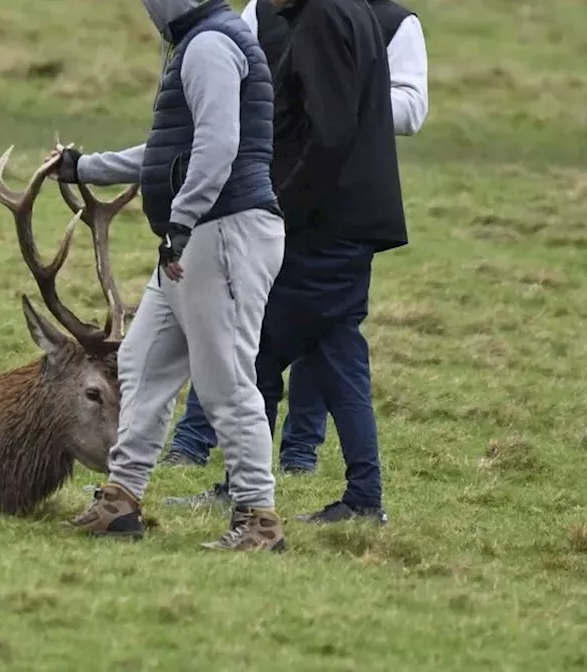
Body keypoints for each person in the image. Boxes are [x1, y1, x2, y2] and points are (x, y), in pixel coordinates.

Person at [165, 0, 411, 525]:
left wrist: (281, 207)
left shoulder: (322, 19)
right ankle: (362, 497)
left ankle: (248, 489)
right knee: (334, 355)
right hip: (348, 222)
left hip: (319, 227)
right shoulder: (351, 11)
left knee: (263, 353)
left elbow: (329, 134)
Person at [56, 0, 289, 551]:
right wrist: (85, 166)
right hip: (200, 238)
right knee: (143, 363)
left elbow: (217, 146)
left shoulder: (208, 46)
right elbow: (167, 152)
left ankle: (260, 519)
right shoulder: (200, 42)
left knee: (226, 383)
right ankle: (121, 500)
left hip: (221, 234)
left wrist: (182, 221)